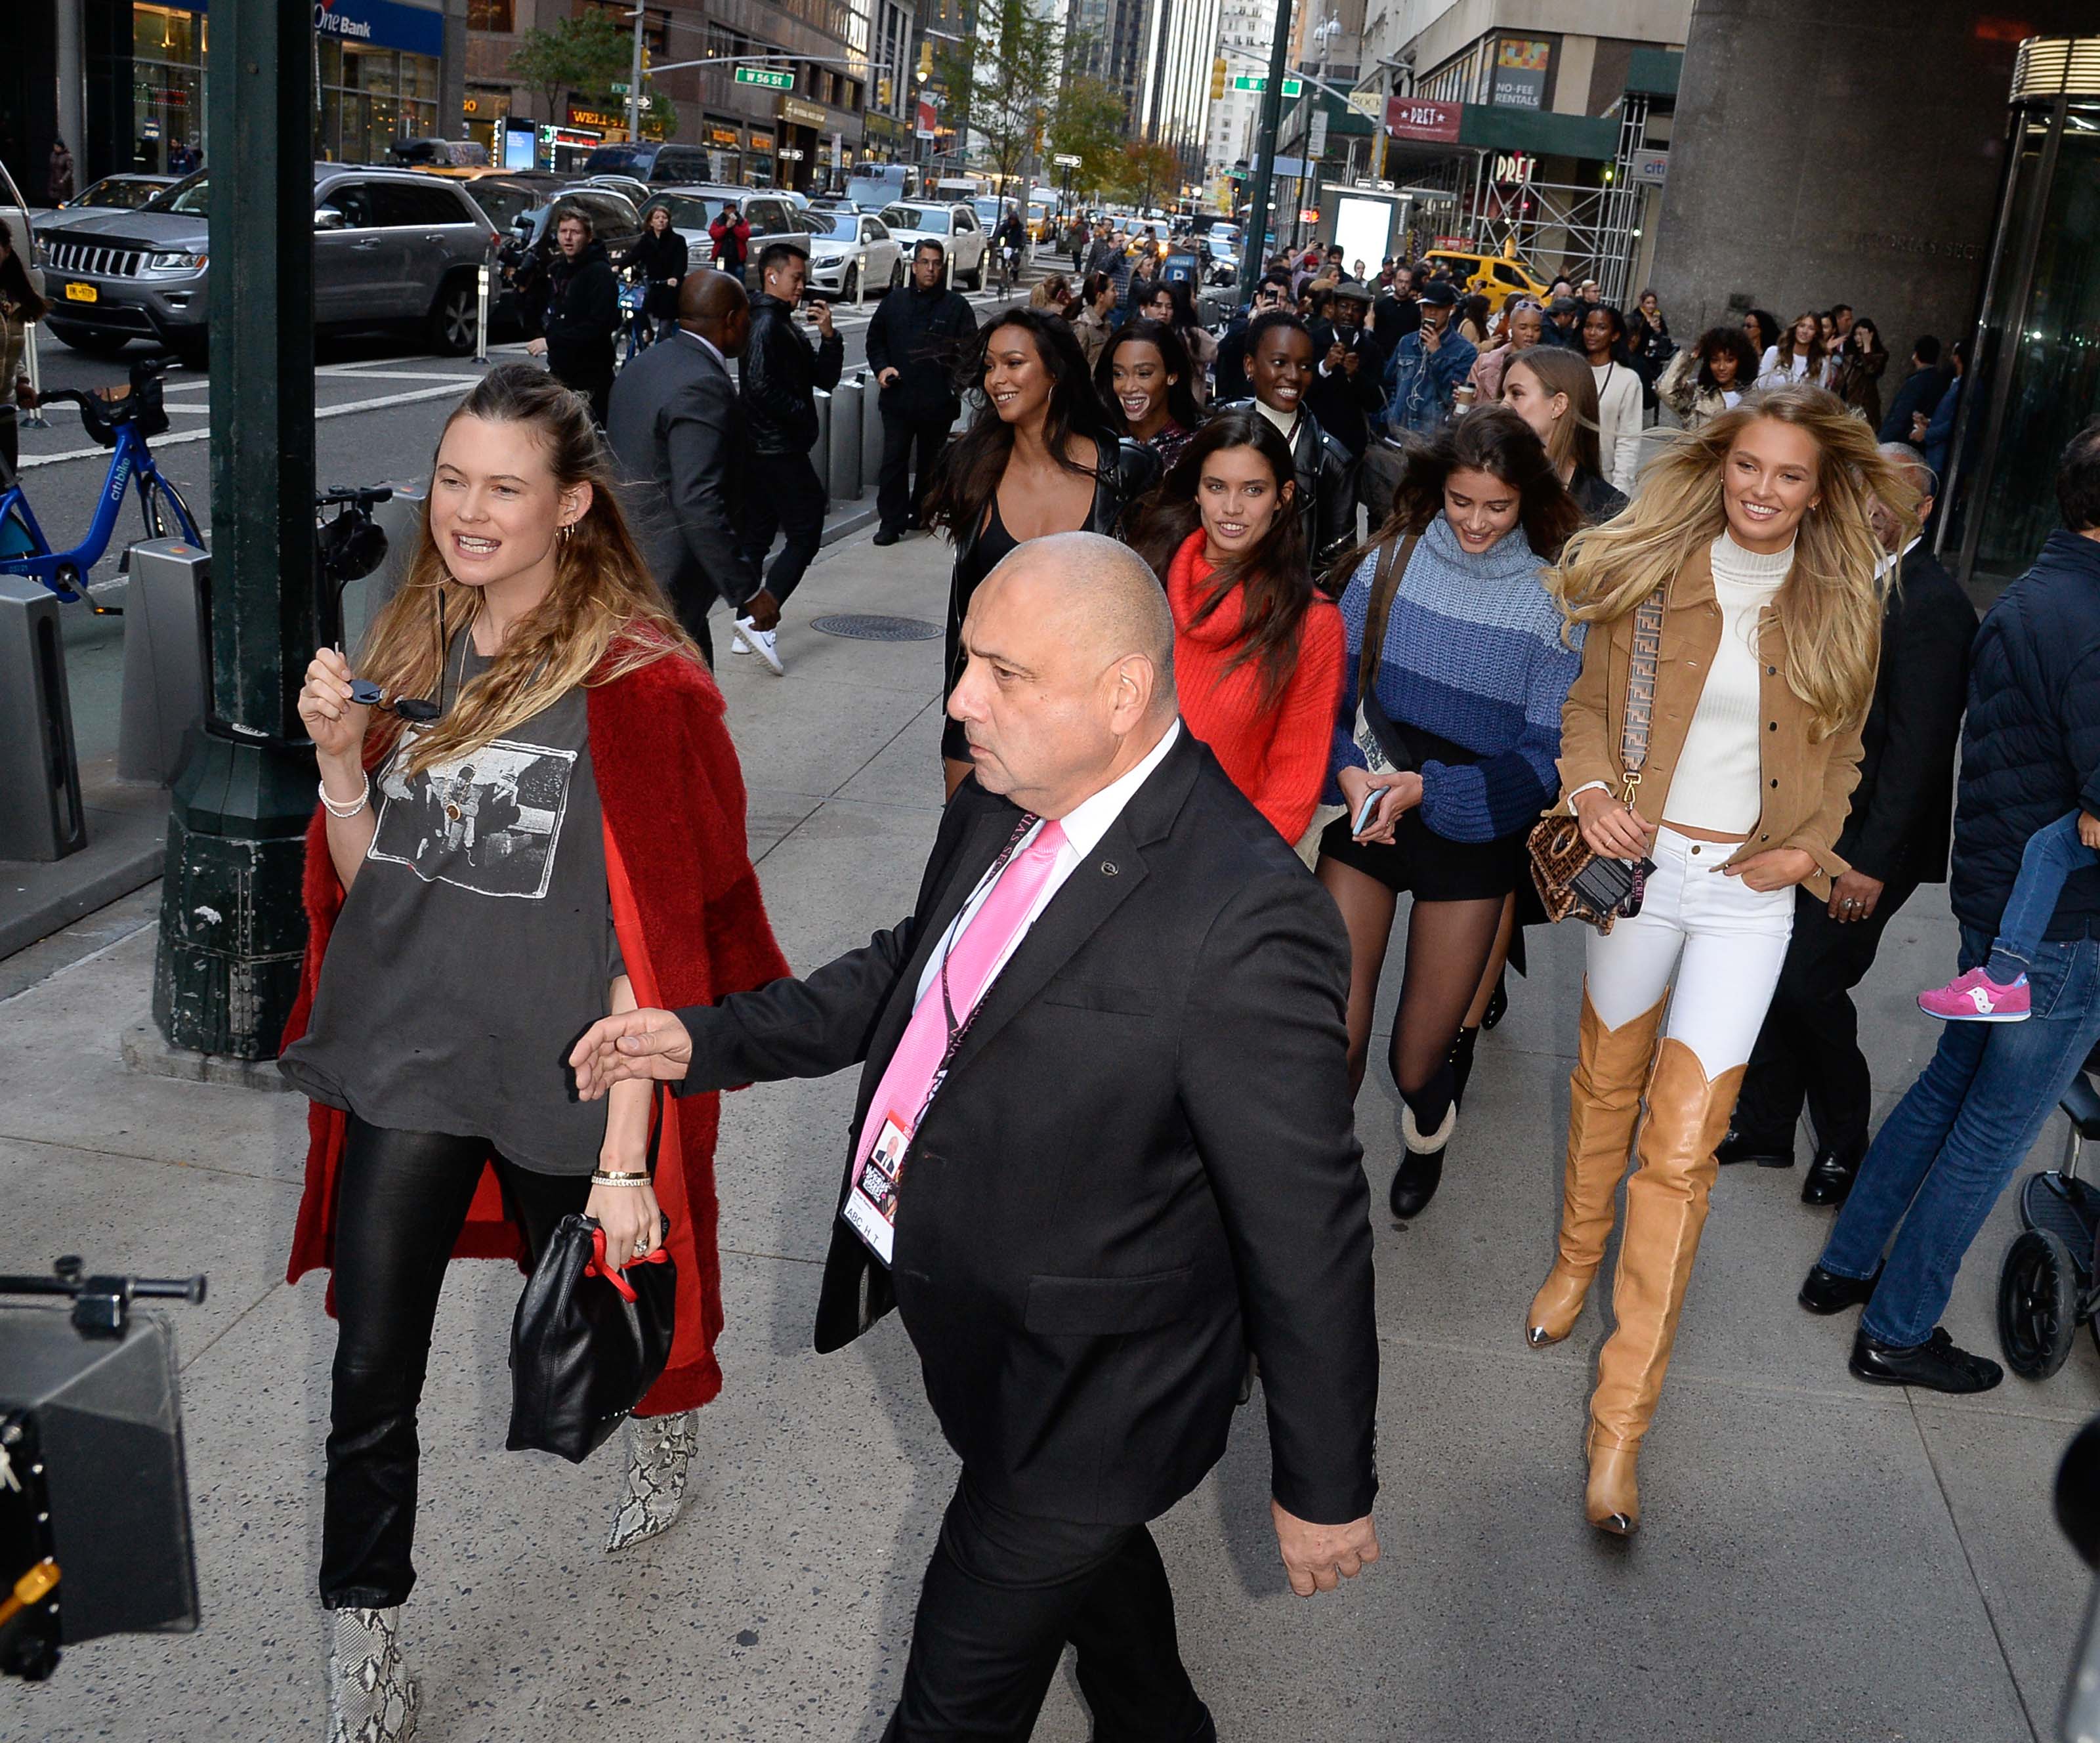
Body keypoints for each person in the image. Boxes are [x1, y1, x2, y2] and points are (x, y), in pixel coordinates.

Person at [568, 533, 1381, 1742]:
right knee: (1100, 1599)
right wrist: (704, 1039)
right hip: (985, 1334)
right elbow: (917, 969)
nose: (960, 700)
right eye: (966, 663)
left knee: (950, 1708)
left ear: (1122, 694)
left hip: (1101, 1387)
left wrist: (1325, 1485)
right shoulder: (1004, 796)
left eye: (1004, 673)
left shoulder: (1248, 922)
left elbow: (1307, 1227)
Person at [278, 364, 790, 1738]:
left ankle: (664, 1413)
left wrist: (628, 1160)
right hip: (413, 1059)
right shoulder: (416, 640)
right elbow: (382, 872)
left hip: (571, 1070)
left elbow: (655, 941)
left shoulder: (635, 681)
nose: (466, 510)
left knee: (622, 1312)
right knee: (369, 1368)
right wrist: (341, 761)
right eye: (452, 478)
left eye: (503, 486)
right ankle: (367, 1629)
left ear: (572, 505)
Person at [1526, 385, 1912, 1534]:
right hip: (1639, 868)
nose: (1763, 490)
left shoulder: (1844, 599)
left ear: (1820, 487)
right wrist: (1590, 794)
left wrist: (1810, 852)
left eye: (1789, 475)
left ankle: (1619, 1431)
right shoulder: (1653, 567)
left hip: (1751, 892)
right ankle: (1573, 1256)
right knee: (1605, 1084)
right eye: (1749, 467)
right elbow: (1585, 710)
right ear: (1721, 462)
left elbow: (1847, 754)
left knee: (1684, 1149)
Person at [1802, 426, 2100, 1395]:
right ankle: (1897, 1328)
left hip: (2003, 909)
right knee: (1989, 1133)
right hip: (2057, 932)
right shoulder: (2089, 616)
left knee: (1944, 1095)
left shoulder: (2033, 591)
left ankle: (1846, 1270)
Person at [1320, 406, 1584, 1219]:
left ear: (1524, 501)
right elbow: (1323, 702)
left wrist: (1435, 791)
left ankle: (1429, 1126)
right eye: (1459, 501)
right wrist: (1350, 774)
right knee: (1329, 1039)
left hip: (1471, 825)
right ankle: (1311, 1192)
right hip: (1373, 810)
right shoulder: (1388, 564)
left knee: (1413, 1062)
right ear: (1436, 490)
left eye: (1495, 506)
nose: (1474, 522)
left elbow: (1545, 758)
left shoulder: (1552, 599)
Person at [1721, 445, 1975, 1204]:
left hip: (1869, 844)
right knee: (1775, 970)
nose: (1868, 505)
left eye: (1888, 494)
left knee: (1807, 983)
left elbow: (1918, 755)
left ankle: (1842, 1139)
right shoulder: (1831, 576)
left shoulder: (1933, 606)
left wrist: (1867, 863)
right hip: (1805, 821)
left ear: (1922, 510)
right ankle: (1766, 1126)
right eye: (1860, 487)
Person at [924, 308, 1160, 794]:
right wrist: (958, 714)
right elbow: (963, 612)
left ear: (1055, 372)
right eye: (990, 366)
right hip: (986, 711)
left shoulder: (1125, 472)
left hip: (1081, 719)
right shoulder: (971, 469)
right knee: (968, 863)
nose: (997, 380)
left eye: (1013, 363)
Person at [1126, 410, 1345, 845]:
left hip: (1217, 858)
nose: (1231, 508)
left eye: (1253, 490)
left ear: (1282, 496)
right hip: (1107, 833)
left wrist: (1233, 876)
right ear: (1196, 491)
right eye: (1216, 487)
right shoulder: (1144, 576)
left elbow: (1293, 782)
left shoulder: (1312, 623)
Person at [606, 270, 778, 666]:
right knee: (675, 707)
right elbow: (698, 501)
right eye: (747, 319)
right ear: (732, 319)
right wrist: (748, 591)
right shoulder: (702, 385)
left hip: (628, 564)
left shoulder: (643, 364)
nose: (750, 328)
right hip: (670, 582)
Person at [733, 242, 843, 675]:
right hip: (776, 449)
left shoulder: (780, 323)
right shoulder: (764, 324)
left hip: (771, 448)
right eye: (796, 277)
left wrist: (830, 336)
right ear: (772, 276)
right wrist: (800, 415)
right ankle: (763, 619)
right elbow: (759, 387)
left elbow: (824, 379)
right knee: (805, 530)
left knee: (758, 536)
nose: (802, 285)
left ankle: (746, 621)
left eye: (803, 277)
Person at [1217, 310, 1356, 575]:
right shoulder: (1219, 429)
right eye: (1280, 362)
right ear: (1250, 365)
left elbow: (1338, 566)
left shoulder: (1332, 461)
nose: (1293, 375)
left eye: (1305, 366)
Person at [868, 239, 980, 547]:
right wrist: (882, 368)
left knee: (930, 463)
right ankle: (890, 523)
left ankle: (919, 511)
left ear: (943, 267)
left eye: (936, 263)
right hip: (898, 398)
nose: (930, 269)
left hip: (937, 402)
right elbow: (875, 338)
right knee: (894, 461)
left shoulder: (957, 307)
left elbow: (971, 350)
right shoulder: (894, 302)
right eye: (925, 262)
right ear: (914, 266)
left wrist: (955, 384)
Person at [1502, 346, 1628, 524]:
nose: (1503, 405)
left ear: (1558, 404)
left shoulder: (1609, 510)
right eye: (1503, 394)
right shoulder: (1490, 478)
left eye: (1516, 394)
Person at [528, 205, 620, 425]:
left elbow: (599, 325)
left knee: (590, 438)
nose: (568, 238)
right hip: (562, 370)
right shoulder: (560, 269)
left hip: (591, 375)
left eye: (575, 232)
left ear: (588, 237)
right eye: (563, 232)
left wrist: (551, 342)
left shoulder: (599, 273)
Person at [1095, 316, 1202, 472]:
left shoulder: (1197, 448)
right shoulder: (1101, 441)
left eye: (1143, 374)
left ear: (1171, 376)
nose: (1129, 387)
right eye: (1119, 374)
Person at [1303, 280, 1387, 458]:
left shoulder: (1372, 350)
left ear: (1364, 314)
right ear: (1333, 308)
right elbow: (1301, 389)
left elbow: (1376, 403)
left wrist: (1355, 375)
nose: (1349, 313)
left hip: (1351, 444)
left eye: (1356, 309)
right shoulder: (1313, 340)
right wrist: (1324, 368)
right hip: (1313, 436)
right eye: (1344, 306)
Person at [1383, 280, 1477, 438]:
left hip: (1432, 441)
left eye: (1439, 308)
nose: (1432, 313)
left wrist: (1437, 354)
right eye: (1427, 307)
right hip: (1397, 435)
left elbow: (1455, 399)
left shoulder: (1465, 351)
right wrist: (1390, 414)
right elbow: (1389, 383)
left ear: (1451, 309)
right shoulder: (1406, 343)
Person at [1579, 303, 1644, 495]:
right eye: (1588, 326)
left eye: (1601, 327)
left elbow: (1628, 439)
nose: (1592, 333)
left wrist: (1619, 489)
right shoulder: (1571, 369)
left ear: (1615, 335)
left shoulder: (1628, 380)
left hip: (1603, 480)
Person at [0, 225, 48, 478]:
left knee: (5, 493)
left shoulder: (11, 297)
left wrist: (21, 382)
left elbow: (8, 346)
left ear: (6, 251)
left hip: (4, 409)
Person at [1657, 326, 1759, 432]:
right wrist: (1691, 357)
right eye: (1715, 360)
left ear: (1741, 362)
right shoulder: (1698, 393)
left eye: (1729, 360)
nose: (1722, 367)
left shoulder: (1752, 397)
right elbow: (1666, 390)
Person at [1214, 271, 1292, 404]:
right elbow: (1225, 349)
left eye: (1283, 299)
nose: (1278, 303)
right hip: (1241, 399)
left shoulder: (1289, 331)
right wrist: (1254, 324)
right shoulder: (1243, 322)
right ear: (1259, 299)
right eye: (1273, 296)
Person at [619, 203, 686, 341]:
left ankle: (661, 354)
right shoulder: (646, 240)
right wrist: (618, 267)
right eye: (657, 218)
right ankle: (648, 331)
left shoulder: (678, 240)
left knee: (664, 328)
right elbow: (633, 256)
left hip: (669, 288)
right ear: (651, 222)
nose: (661, 220)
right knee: (638, 309)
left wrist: (675, 277)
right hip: (652, 285)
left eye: (664, 217)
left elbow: (681, 263)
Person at [1463, 298, 1544, 406]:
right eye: (1523, 328)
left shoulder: (1546, 369)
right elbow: (1467, 405)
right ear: (1510, 327)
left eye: (1536, 329)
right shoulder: (1484, 362)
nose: (1530, 334)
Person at [1916, 339, 1967, 490]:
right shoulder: (1955, 383)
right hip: (1935, 456)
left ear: (1957, 358)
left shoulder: (1966, 387)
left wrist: (1927, 434)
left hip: (1941, 457)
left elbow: (1956, 422)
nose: (1951, 358)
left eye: (1953, 354)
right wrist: (1929, 421)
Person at [1878, 335, 1948, 444]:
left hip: (1904, 441)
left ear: (1915, 355)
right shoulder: (1940, 381)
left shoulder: (1916, 382)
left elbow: (1900, 416)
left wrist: (1882, 440)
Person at [1831, 317, 1889, 429]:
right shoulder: (1849, 353)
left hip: (1863, 405)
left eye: (1862, 334)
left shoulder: (1880, 355)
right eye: (1856, 334)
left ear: (1871, 335)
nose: (1858, 338)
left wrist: (1867, 346)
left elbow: (1871, 370)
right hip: (1844, 401)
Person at [1757, 310, 1828, 390]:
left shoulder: (1820, 363)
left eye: (1811, 328)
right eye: (1802, 326)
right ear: (1795, 328)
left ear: (1816, 334)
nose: (1805, 331)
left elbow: (1819, 395)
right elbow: (1760, 386)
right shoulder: (1774, 353)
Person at [1068, 269, 1118, 369]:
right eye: (1113, 290)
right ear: (1100, 296)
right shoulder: (1082, 327)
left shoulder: (1107, 323)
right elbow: (1074, 368)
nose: (1117, 294)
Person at [708, 200, 751, 275]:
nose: (731, 211)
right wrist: (726, 227)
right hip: (721, 257)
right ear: (724, 210)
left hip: (737, 259)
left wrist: (735, 227)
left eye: (733, 209)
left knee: (739, 276)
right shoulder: (718, 221)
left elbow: (745, 236)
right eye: (728, 209)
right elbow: (714, 235)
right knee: (719, 276)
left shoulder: (742, 221)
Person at [47, 138, 74, 206]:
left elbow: (69, 170)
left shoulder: (67, 156)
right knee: (54, 199)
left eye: (57, 147)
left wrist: (63, 179)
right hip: (54, 180)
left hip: (63, 182)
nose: (56, 149)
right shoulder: (53, 155)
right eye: (55, 147)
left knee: (63, 199)